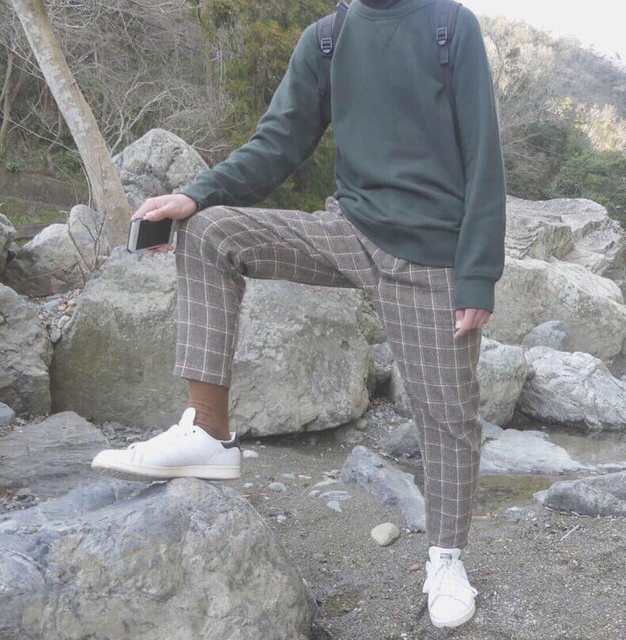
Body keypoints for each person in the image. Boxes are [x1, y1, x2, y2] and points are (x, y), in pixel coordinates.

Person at [92, 0, 506, 630]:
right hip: (347, 229)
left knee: (448, 415)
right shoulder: (328, 38)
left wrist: (477, 273)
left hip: (431, 256)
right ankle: (209, 434)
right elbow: (277, 143)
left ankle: (446, 558)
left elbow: (484, 156)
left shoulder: (450, 26)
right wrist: (196, 194)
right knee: (208, 232)